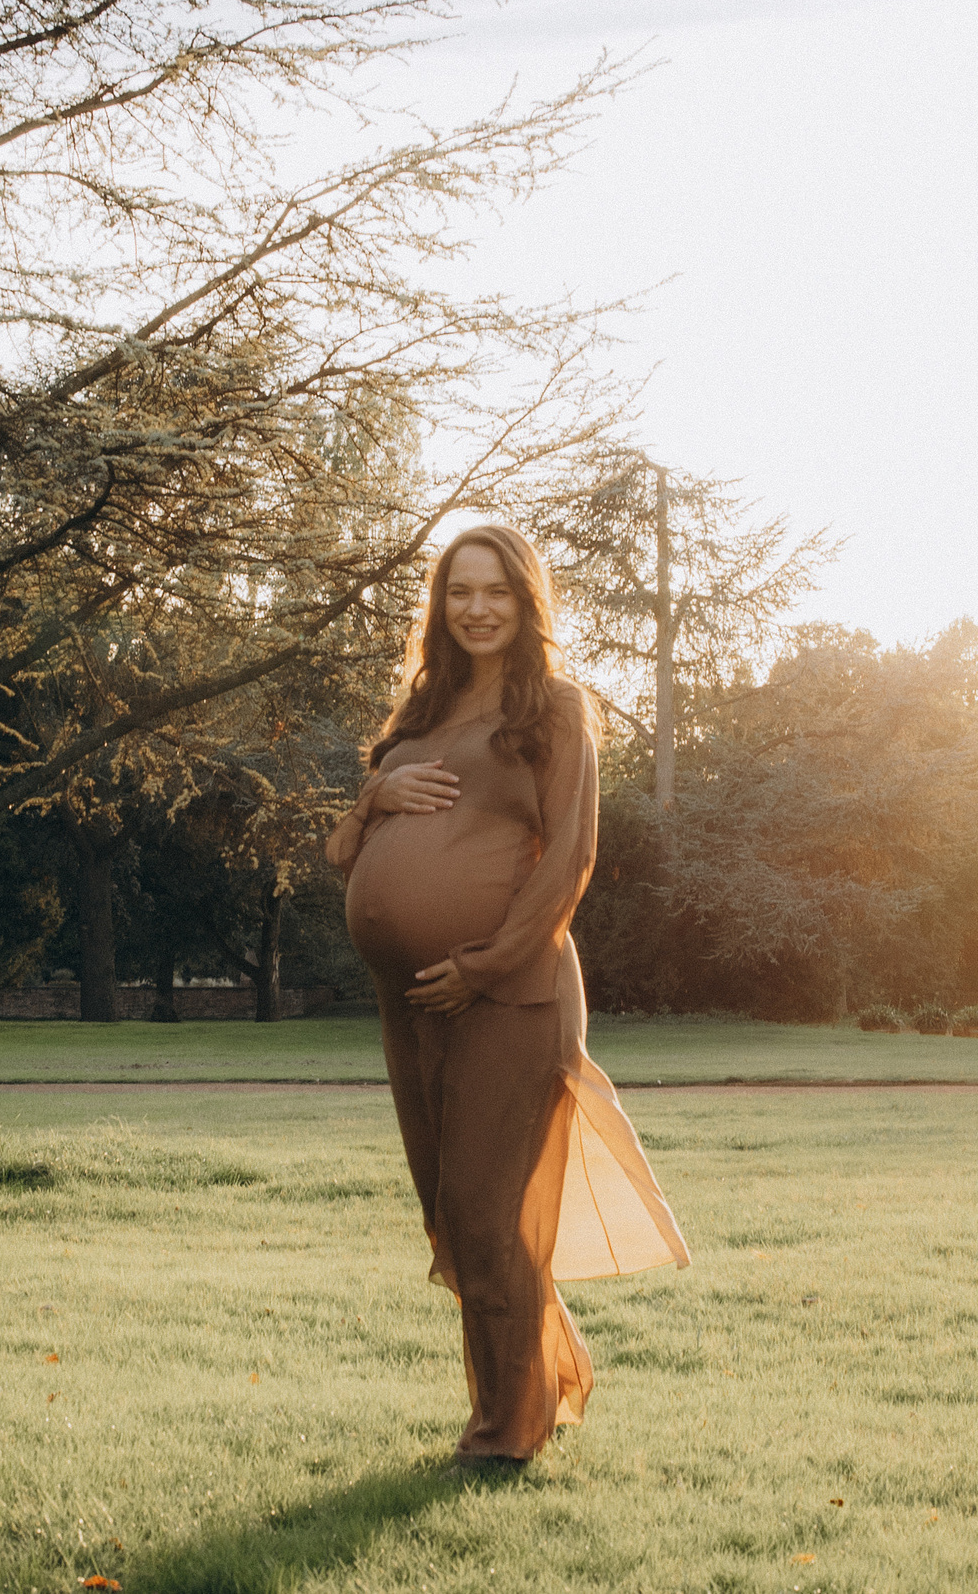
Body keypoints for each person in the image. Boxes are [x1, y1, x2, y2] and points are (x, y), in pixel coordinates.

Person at [326, 524, 689, 1469]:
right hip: (412, 1006)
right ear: (439, 606)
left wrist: (485, 964)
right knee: (454, 1217)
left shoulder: (555, 709)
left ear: (527, 602)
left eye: (496, 591)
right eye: (459, 592)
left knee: (491, 1217)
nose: (477, 608)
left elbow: (572, 856)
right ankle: (528, 1392)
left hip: (510, 994)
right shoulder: (420, 715)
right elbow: (342, 853)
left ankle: (504, 1436)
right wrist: (374, 798)